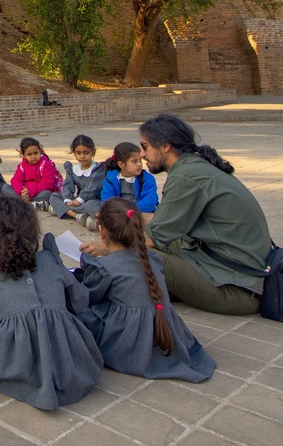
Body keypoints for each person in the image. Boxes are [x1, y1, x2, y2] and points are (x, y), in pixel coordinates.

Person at [81, 114, 271, 316]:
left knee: (133, 255)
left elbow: (153, 239)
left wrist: (108, 247)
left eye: (145, 147)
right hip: (242, 274)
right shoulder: (194, 166)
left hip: (237, 288)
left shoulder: (185, 176)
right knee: (159, 243)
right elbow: (162, 220)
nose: (143, 155)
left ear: (165, 147)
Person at [0, 196, 103, 410]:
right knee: (76, 316)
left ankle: (13, 362)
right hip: (66, 358)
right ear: (34, 231)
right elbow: (80, 300)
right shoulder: (50, 259)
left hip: (13, 357)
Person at [77, 198, 214, 381]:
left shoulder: (105, 267)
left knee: (80, 313)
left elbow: (90, 296)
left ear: (102, 231)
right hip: (164, 330)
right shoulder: (151, 258)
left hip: (130, 342)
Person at [45, 134, 105, 224]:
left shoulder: (98, 168)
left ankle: (62, 210)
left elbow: (93, 188)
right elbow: (67, 187)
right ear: (74, 153)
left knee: (90, 205)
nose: (82, 156)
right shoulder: (73, 169)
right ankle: (77, 216)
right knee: (54, 196)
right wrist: (68, 200)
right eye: (78, 153)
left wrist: (78, 201)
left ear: (93, 152)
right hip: (77, 202)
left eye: (86, 152)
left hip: (93, 200)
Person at [97, 142, 159, 227]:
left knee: (155, 219)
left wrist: (128, 212)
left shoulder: (147, 179)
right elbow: (107, 202)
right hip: (120, 215)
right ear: (121, 164)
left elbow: (149, 202)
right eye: (134, 161)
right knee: (94, 206)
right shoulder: (110, 180)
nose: (139, 164)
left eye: (140, 160)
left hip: (140, 214)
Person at [9, 137, 61, 207]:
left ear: (40, 151)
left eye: (36, 153)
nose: (33, 157)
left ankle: (23, 201)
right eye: (29, 154)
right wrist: (21, 191)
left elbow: (47, 184)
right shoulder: (22, 166)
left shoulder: (46, 164)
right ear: (23, 155)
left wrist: (30, 192)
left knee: (47, 194)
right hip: (25, 192)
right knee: (5, 188)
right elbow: (15, 180)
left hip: (39, 192)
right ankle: (28, 201)